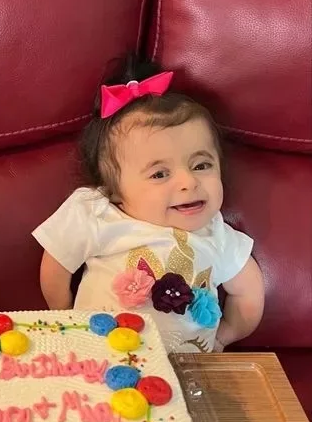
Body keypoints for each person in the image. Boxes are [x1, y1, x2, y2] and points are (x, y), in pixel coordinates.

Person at [33, 57, 264, 353]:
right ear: (114, 190)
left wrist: (224, 337)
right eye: (159, 173)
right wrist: (63, 313)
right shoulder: (98, 211)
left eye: (201, 165)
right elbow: (56, 262)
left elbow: (249, 292)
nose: (188, 183)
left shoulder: (216, 233)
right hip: (102, 360)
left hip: (191, 371)